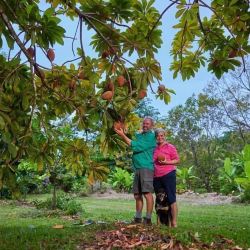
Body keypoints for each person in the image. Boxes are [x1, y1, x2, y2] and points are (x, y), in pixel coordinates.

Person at [114, 117, 156, 225]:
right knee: (137, 195)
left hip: (146, 167)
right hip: (137, 168)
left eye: (147, 124)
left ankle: (148, 219)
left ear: (152, 126)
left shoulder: (151, 137)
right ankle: (138, 218)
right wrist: (122, 127)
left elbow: (135, 146)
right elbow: (129, 136)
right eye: (144, 123)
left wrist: (122, 135)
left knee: (147, 193)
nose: (145, 125)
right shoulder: (139, 135)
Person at [153, 128, 179, 227]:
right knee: (159, 199)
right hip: (156, 176)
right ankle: (161, 222)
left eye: (162, 135)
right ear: (156, 137)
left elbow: (177, 160)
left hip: (168, 174)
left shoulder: (170, 147)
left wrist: (166, 162)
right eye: (158, 136)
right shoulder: (154, 148)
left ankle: (174, 222)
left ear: (164, 136)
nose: (160, 137)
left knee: (171, 198)